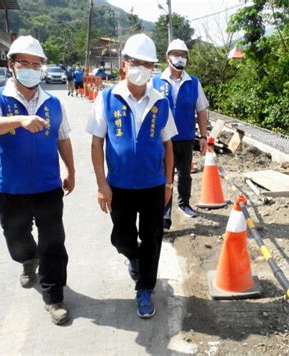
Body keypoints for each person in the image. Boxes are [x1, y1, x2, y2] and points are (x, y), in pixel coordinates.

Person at [0, 35, 75, 325]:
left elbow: (63, 137)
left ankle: (53, 295)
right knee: (17, 241)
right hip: (10, 188)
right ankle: (27, 260)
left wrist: (71, 169)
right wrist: (19, 121)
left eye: (36, 64)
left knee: (54, 243)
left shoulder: (53, 103)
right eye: (24, 63)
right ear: (11, 66)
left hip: (47, 187)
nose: (30, 69)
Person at [86, 33, 176, 318]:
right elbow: (97, 143)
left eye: (148, 64)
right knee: (122, 239)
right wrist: (102, 185)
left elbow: (168, 144)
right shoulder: (107, 98)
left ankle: (145, 289)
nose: (142, 68)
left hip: (152, 186)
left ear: (153, 68)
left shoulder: (160, 102)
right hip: (119, 186)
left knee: (153, 238)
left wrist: (169, 183)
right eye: (136, 62)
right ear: (124, 64)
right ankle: (134, 258)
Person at [151, 39, 209, 229]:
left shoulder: (193, 82)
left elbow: (201, 110)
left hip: (185, 137)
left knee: (185, 174)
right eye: (176, 54)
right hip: (162, 139)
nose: (180, 58)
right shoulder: (156, 81)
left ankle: (184, 204)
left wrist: (202, 136)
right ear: (167, 57)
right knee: (164, 176)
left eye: (183, 55)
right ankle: (164, 214)